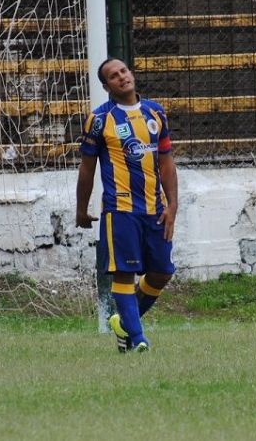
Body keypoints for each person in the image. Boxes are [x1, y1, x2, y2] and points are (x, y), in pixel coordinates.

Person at [75, 58, 178, 353]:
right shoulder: (99, 119)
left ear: (130, 74)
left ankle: (123, 322)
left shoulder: (155, 112)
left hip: (155, 209)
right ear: (107, 86)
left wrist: (172, 205)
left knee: (162, 272)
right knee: (123, 273)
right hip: (120, 211)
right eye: (113, 76)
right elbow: (87, 169)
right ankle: (139, 339)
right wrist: (81, 210)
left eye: (123, 71)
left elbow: (167, 163)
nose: (121, 77)